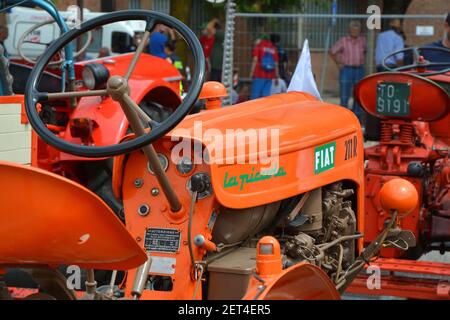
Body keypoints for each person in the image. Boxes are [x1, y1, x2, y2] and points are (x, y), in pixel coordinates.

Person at [330, 20, 366, 121]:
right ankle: (343, 120)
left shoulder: (363, 40)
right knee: (344, 96)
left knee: (358, 96)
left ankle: (356, 120)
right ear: (349, 30)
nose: (355, 31)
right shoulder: (343, 40)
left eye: (357, 29)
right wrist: (339, 64)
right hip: (347, 70)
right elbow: (332, 51)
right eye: (353, 29)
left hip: (359, 70)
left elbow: (365, 51)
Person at [249, 35, 279, 100]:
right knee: (265, 97)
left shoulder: (259, 46)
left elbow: (255, 59)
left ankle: (255, 110)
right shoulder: (273, 48)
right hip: (270, 76)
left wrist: (251, 73)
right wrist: (277, 76)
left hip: (259, 75)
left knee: (255, 97)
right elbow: (276, 64)